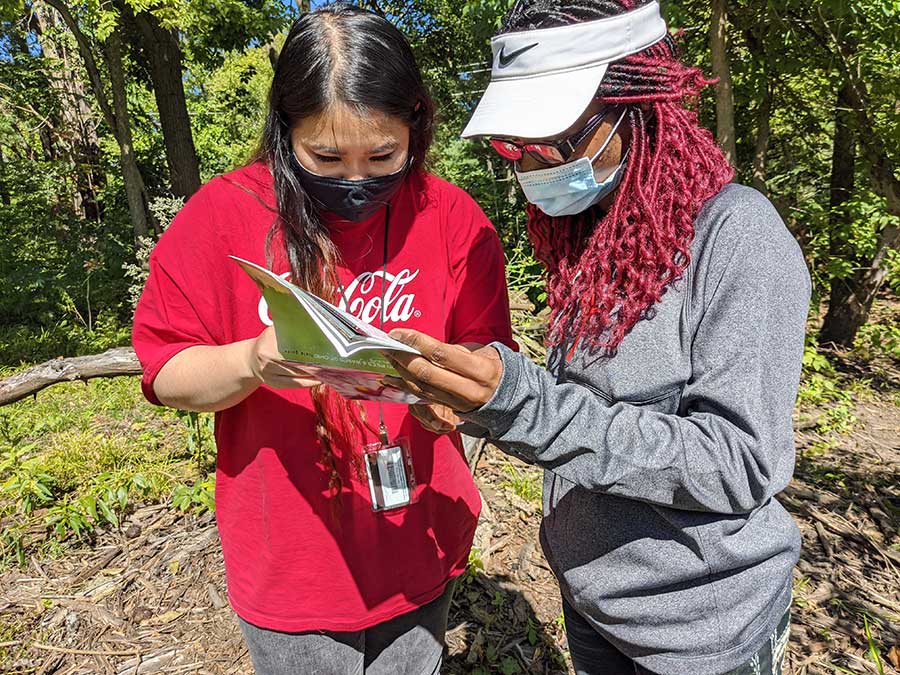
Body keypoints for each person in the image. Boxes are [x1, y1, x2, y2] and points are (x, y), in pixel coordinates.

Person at [384, 0, 811, 673]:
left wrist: (524, 406)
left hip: (697, 633)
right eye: (514, 147)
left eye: (556, 139)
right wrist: (481, 405)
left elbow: (738, 463)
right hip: (592, 603)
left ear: (638, 109)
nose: (531, 163)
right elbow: (593, 410)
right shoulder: (594, 231)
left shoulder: (739, 238)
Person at [131, 5, 515, 673]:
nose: (355, 180)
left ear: (415, 127)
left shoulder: (454, 218)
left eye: (383, 155)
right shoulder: (224, 214)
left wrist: (447, 398)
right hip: (293, 565)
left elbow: (489, 364)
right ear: (285, 131)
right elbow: (165, 371)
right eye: (326, 156)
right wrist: (251, 359)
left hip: (418, 539)